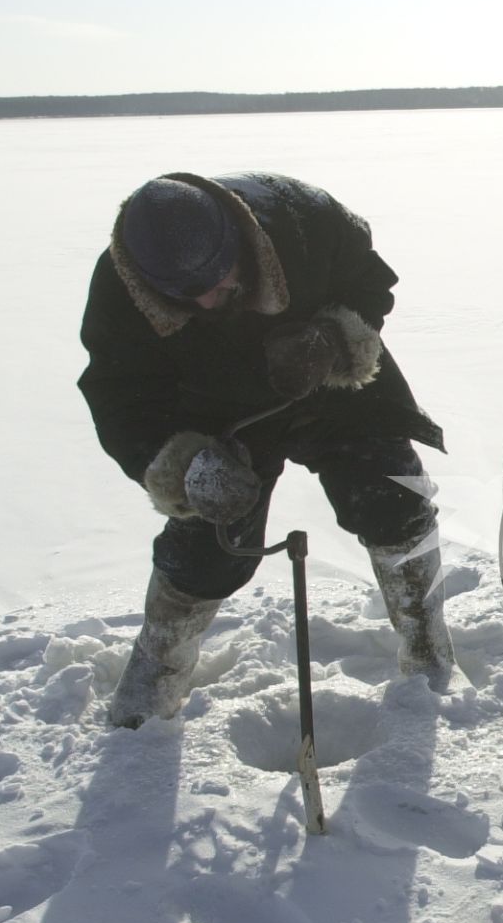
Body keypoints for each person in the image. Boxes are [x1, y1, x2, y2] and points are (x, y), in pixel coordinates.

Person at [79, 171, 454, 728]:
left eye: (220, 279)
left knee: (394, 500)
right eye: (189, 294)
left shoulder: (303, 215)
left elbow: (369, 281)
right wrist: (183, 465)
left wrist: (331, 339)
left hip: (330, 386)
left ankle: (427, 647)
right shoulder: (121, 287)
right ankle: (155, 676)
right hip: (215, 418)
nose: (210, 298)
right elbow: (118, 395)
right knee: (206, 552)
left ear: (238, 239)